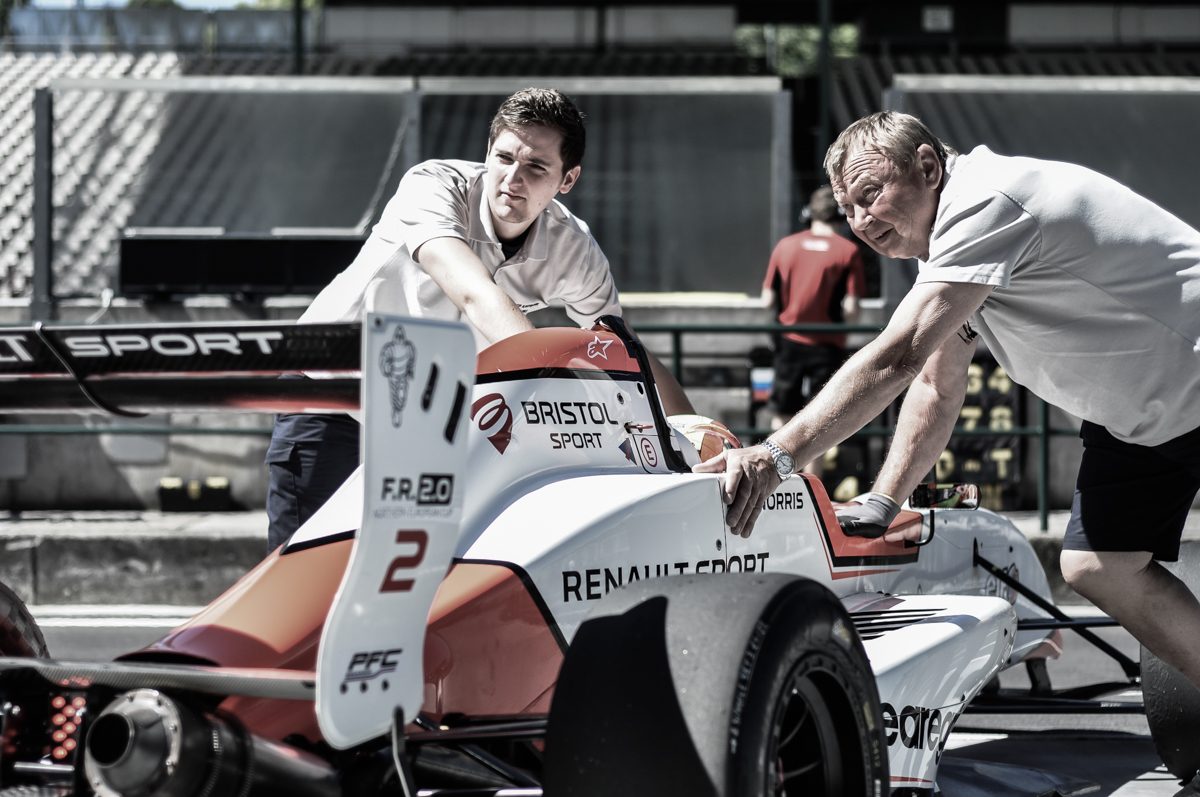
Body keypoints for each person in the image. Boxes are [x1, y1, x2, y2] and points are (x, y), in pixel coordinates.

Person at [695, 110, 1200, 690]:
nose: (860, 222)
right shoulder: (948, 248)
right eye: (847, 208)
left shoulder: (987, 200)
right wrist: (882, 504)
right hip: (1141, 417)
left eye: (870, 194)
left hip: (1191, 374)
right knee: (1099, 566)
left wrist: (775, 456)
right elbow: (936, 385)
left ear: (928, 168)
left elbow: (897, 357)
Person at [266, 87, 693, 552]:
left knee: (425, 578)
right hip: (334, 394)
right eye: (503, 158)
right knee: (305, 572)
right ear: (487, 152)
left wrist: (697, 435)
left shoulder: (573, 246)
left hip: (426, 425)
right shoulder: (431, 185)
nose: (512, 178)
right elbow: (475, 294)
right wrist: (552, 387)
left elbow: (621, 349)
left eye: (536, 167)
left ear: (567, 179)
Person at [761, 185, 865, 473]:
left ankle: (777, 475)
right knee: (822, 414)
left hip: (789, 340)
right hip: (827, 343)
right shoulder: (848, 251)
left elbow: (767, 300)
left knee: (782, 410)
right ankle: (812, 482)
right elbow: (852, 309)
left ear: (809, 214)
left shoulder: (786, 245)